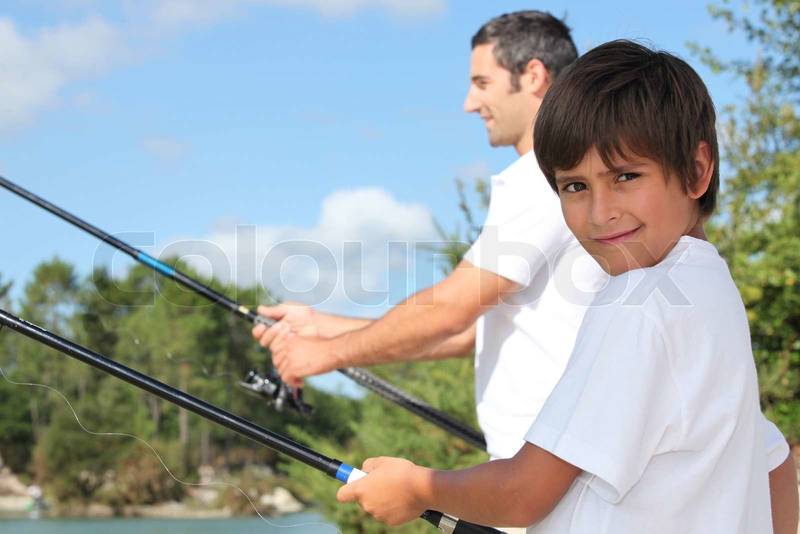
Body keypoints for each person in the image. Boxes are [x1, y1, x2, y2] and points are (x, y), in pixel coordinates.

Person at [335, 40, 799, 533]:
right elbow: (773, 459)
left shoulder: (638, 304)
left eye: (625, 176)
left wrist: (416, 488)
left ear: (697, 170)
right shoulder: (711, 290)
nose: (600, 213)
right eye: (575, 186)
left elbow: (523, 494)